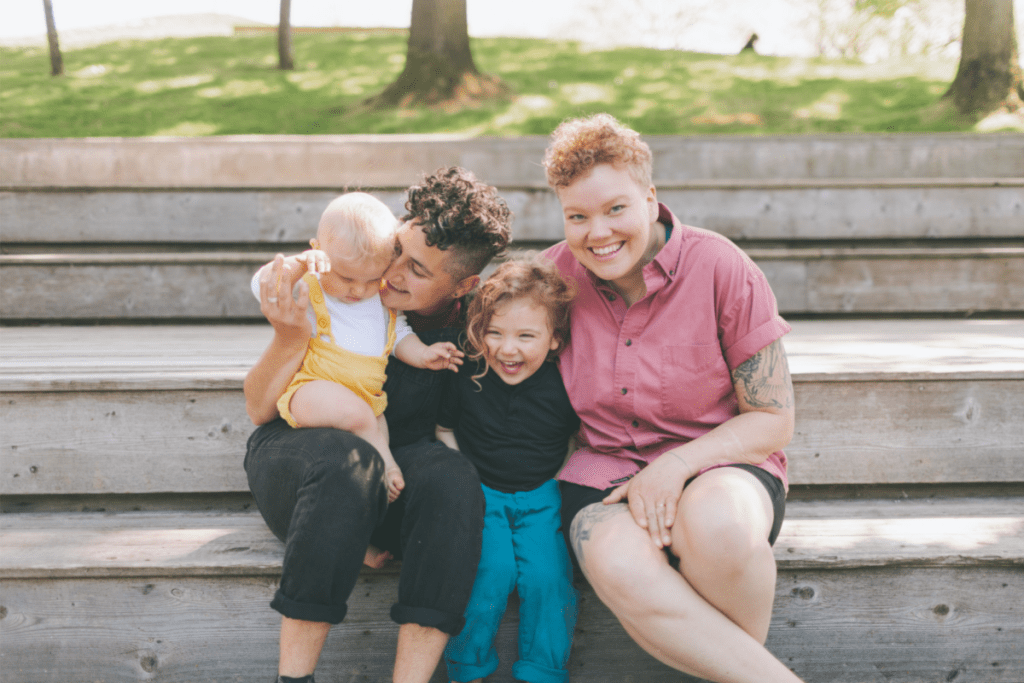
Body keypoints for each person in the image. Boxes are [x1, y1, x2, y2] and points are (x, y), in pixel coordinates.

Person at [541, 114, 803, 683]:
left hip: (724, 462)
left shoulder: (720, 266)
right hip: (603, 474)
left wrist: (676, 466)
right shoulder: (552, 279)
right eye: (577, 216)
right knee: (614, 558)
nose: (597, 232)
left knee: (719, 528)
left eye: (615, 209)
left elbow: (773, 419)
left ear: (650, 197)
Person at [243, 167, 513, 683]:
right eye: (399, 253)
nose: (390, 276)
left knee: (455, 482)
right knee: (353, 465)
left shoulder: (467, 329)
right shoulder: (338, 287)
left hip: (393, 463)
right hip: (298, 450)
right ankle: (293, 679)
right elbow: (260, 410)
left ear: (463, 286)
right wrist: (289, 336)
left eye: (418, 270)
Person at [252, 192, 463, 506]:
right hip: (311, 390)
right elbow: (261, 284)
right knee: (362, 420)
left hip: (368, 400)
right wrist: (298, 265)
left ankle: (367, 528)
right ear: (317, 253)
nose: (358, 290)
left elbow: (398, 336)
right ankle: (387, 463)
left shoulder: (377, 300)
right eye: (347, 277)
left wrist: (422, 354)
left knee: (374, 424)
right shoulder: (312, 286)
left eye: (371, 280)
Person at [436, 257, 579, 683]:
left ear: (554, 340)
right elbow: (443, 429)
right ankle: (468, 668)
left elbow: (579, 439)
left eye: (525, 336)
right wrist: (466, 480)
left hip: (543, 497)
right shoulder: (469, 375)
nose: (507, 348)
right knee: (488, 573)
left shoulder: (564, 384)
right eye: (494, 333)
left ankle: (542, 671)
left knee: (548, 581)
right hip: (483, 495)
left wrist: (559, 480)